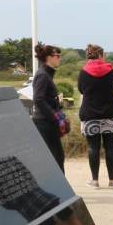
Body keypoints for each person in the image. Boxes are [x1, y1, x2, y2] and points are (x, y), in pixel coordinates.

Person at [78, 43, 113, 188]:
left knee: (93, 147)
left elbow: (81, 90)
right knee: (111, 147)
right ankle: (112, 181)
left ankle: (95, 181)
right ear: (101, 55)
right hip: (111, 113)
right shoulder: (110, 70)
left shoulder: (83, 72)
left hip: (90, 114)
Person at [31, 43, 68, 171]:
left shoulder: (46, 74)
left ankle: (61, 190)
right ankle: (60, 190)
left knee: (58, 157)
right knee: (55, 159)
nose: (59, 58)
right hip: (44, 124)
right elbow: (38, 99)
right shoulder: (42, 75)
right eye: (57, 56)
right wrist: (56, 117)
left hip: (47, 122)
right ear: (48, 57)